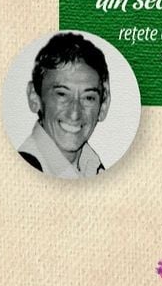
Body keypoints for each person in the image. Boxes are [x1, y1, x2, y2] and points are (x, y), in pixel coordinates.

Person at [18, 32, 111, 178]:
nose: (74, 114)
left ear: (103, 105)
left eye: (88, 98)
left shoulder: (94, 167)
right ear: (34, 97)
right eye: (62, 94)